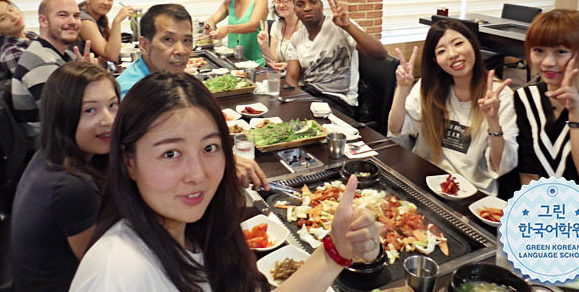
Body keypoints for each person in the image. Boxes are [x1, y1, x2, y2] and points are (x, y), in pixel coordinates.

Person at [70, 72, 380, 292]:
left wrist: (335, 252)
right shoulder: (116, 272)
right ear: (129, 162)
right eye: (171, 153)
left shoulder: (200, 231)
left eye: (209, 148)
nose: (197, 173)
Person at [117, 3, 269, 191]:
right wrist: (227, 162)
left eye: (187, 40)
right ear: (144, 45)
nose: (181, 50)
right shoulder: (131, 94)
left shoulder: (165, 77)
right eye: (168, 39)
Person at [12, 61, 119, 292]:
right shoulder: (71, 186)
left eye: (112, 105)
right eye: (89, 110)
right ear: (63, 115)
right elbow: (107, 270)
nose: (108, 120)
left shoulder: (51, 153)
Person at [387, 18, 518, 196]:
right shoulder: (429, 87)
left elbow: (499, 166)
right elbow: (396, 128)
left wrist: (493, 121)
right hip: (424, 180)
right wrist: (402, 88)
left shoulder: (500, 96)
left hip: (473, 194)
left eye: (458, 43)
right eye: (442, 51)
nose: (452, 54)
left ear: (472, 44)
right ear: (435, 60)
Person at [515, 9, 579, 207]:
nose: (548, 63)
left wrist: (576, 111)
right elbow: (528, 172)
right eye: (538, 50)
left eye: (560, 52)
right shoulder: (526, 98)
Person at [285, 0, 387, 119]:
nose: (307, 7)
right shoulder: (296, 38)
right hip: (311, 97)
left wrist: (348, 26)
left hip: (340, 102)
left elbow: (380, 54)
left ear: (321, 5)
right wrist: (299, 100)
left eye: (313, 2)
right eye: (300, 4)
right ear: (295, 10)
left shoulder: (340, 26)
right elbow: (291, 77)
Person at [12, 0, 93, 143]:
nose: (72, 22)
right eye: (63, 15)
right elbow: (65, 119)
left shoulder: (65, 52)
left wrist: (85, 72)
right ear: (43, 21)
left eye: (76, 16)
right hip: (53, 147)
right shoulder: (40, 62)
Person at [204, 0, 268, 67]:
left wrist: (227, 28)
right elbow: (211, 20)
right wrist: (209, 28)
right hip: (234, 63)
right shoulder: (227, 3)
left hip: (256, 65)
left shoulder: (260, 0)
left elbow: (253, 25)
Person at [78, 0, 135, 65]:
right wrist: (117, 21)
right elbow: (111, 56)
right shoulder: (84, 20)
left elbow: (107, 52)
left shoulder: (98, 18)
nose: (106, 2)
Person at [256, 0, 301, 71]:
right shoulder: (276, 26)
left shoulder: (306, 27)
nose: (281, 5)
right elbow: (275, 62)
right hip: (283, 78)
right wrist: (264, 46)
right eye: (277, 1)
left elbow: (313, 62)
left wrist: (289, 66)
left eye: (286, 1)